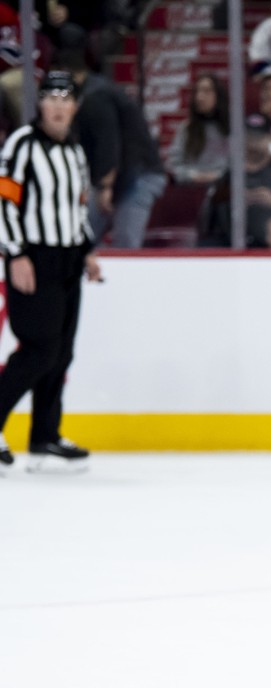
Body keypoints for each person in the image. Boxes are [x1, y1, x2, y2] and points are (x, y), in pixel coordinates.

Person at [0, 71, 103, 472]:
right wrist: (15, 253)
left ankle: (45, 436)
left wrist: (86, 251)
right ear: (40, 104)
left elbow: (77, 205)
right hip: (33, 257)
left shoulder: (75, 150)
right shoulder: (22, 144)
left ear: (75, 107)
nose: (59, 107)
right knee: (38, 349)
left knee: (60, 352)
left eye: (66, 99)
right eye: (51, 98)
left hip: (68, 260)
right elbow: (4, 200)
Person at [56, 49, 167, 249]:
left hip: (138, 174)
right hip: (122, 174)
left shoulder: (96, 96)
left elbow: (108, 142)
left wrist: (105, 186)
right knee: (84, 235)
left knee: (125, 242)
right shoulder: (93, 93)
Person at [198, 114, 271, 248]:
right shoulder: (229, 175)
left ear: (270, 139)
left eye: (258, 138)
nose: (253, 143)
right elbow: (208, 222)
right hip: (231, 248)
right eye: (249, 137)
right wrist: (234, 202)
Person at [168, 73, 230, 186]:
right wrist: (193, 176)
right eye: (197, 92)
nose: (200, 97)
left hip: (224, 188)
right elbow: (174, 165)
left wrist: (219, 175)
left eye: (206, 91)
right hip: (191, 188)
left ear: (218, 95)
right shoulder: (186, 128)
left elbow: (239, 164)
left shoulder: (232, 129)